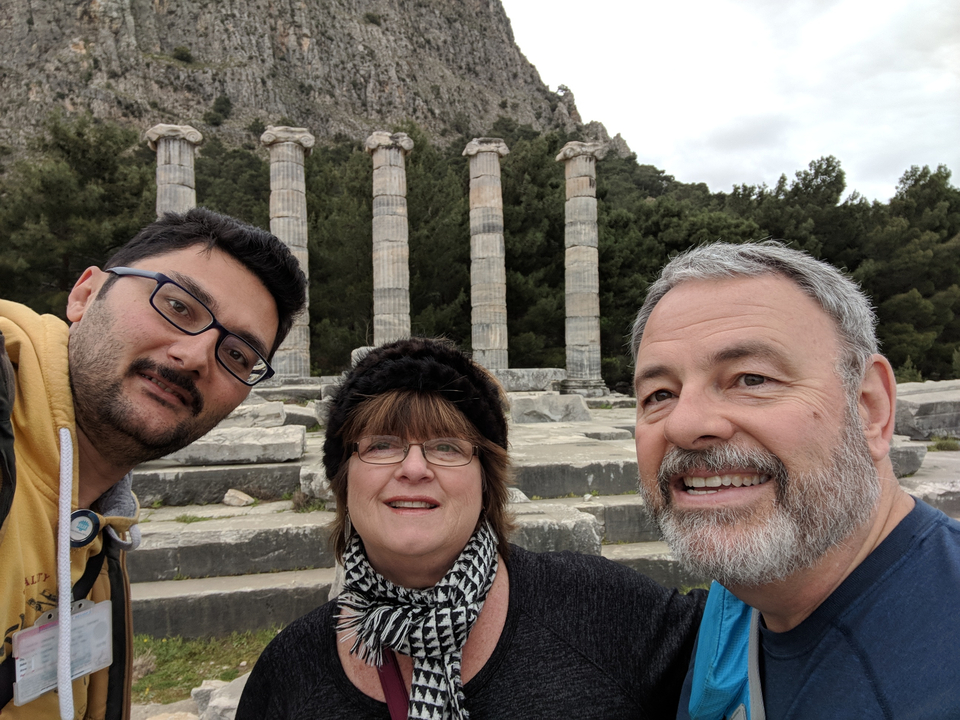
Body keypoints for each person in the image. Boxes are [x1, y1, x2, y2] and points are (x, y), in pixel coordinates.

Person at [238, 337, 705, 719]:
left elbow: (761, 641)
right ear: (344, 478)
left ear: (487, 478)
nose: (414, 468)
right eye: (382, 445)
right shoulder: (288, 672)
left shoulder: (605, 611)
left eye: (445, 446)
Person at [630, 240, 960, 719]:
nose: (683, 424)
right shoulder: (745, 596)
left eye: (752, 379)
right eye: (660, 393)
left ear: (870, 408)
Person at [0, 207, 307, 720]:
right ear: (85, 293)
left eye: (238, 354)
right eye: (178, 306)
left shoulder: (101, 527)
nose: (195, 356)